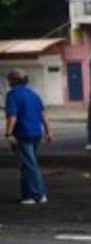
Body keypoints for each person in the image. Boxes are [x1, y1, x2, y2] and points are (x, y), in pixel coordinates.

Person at [5, 69, 52, 205]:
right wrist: (48, 132)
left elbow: (12, 116)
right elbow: (43, 115)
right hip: (36, 133)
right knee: (26, 165)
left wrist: (8, 133)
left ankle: (38, 194)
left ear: (12, 81)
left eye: (9, 79)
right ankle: (27, 195)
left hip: (22, 133)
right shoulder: (33, 95)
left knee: (29, 165)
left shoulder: (12, 95)